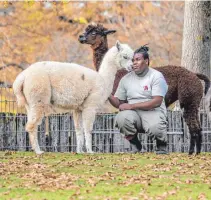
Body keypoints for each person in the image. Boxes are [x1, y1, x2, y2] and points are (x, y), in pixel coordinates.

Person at [108, 45, 168, 154]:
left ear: (146, 61)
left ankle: (161, 145)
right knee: (122, 118)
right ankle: (136, 146)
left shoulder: (156, 76)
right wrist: (107, 94)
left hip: (153, 111)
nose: (134, 63)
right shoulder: (126, 79)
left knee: (155, 127)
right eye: (133, 60)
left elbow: (157, 101)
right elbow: (119, 103)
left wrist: (131, 106)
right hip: (134, 114)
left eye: (138, 60)